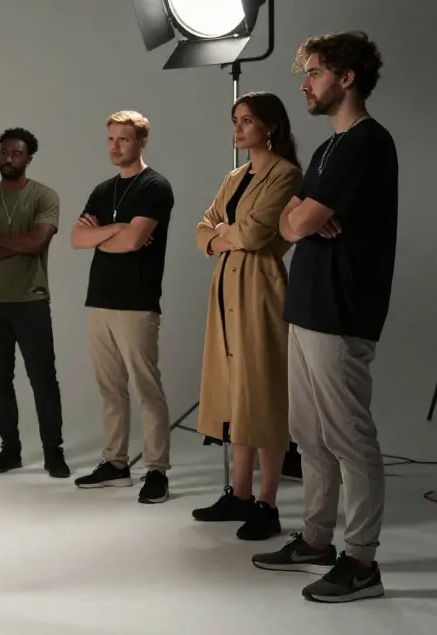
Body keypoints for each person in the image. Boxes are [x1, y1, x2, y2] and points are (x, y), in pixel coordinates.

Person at [254, 31, 395, 604]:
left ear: (346, 77)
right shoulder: (325, 149)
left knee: (348, 436)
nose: (304, 83)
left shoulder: (367, 143)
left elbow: (294, 224)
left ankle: (361, 560)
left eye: (313, 72)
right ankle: (315, 540)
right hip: (307, 306)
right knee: (308, 435)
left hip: (342, 309)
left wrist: (301, 216)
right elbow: (289, 220)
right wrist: (301, 213)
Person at [192, 92, 303, 541]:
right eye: (235, 120)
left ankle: (267, 503)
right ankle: (238, 494)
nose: (237, 129)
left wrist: (224, 233)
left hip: (260, 288)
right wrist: (221, 236)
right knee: (237, 395)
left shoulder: (286, 174)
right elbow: (202, 231)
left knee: (264, 396)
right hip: (225, 289)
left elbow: (257, 234)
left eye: (247, 121)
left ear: (270, 126)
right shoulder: (234, 176)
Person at [69, 110, 174, 504]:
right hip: (99, 300)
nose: (116, 146)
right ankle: (116, 464)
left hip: (137, 303)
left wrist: (106, 236)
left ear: (142, 142)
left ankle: (157, 471)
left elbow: (134, 243)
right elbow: (77, 239)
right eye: (111, 139)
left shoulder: (155, 187)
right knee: (110, 389)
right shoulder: (102, 189)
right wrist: (115, 230)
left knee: (147, 389)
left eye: (124, 139)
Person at [0, 127, 68, 477]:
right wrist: (12, 242)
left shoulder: (44, 197)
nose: (9, 158)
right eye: (4, 152)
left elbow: (38, 242)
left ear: (29, 158)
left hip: (31, 300)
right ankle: (11, 449)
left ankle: (53, 451)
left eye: (17, 153)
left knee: (43, 378)